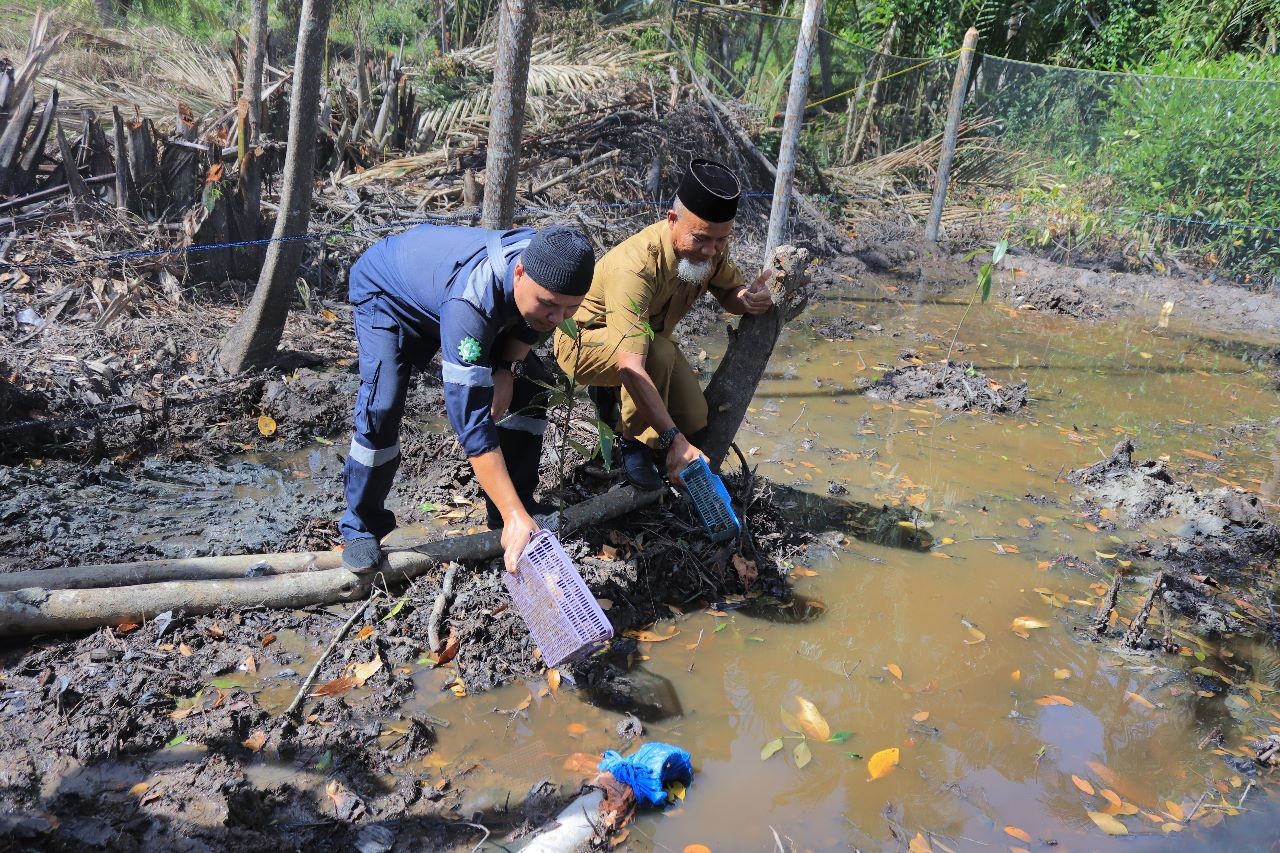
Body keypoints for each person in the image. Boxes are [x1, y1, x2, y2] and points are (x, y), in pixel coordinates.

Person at [340, 224, 595, 574]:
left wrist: (506, 367)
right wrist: (514, 518)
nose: (556, 319)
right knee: (382, 405)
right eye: (549, 305)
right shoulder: (472, 302)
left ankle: (512, 503)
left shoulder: (549, 259)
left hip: (443, 292)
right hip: (388, 294)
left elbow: (532, 323)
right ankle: (361, 526)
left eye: (569, 310)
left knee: (532, 383)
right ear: (518, 272)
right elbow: (470, 422)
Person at [553, 158, 773, 491]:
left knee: (695, 418)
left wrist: (746, 299)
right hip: (584, 344)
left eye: (721, 241)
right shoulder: (636, 268)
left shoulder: (711, 250)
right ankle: (632, 444)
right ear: (672, 220)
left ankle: (622, 405)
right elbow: (630, 365)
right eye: (700, 239)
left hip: (647, 346)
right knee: (656, 354)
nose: (710, 250)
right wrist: (672, 440)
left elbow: (729, 291)